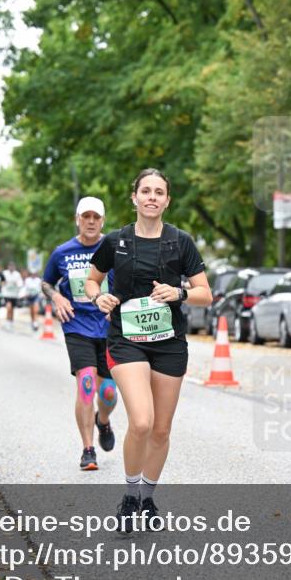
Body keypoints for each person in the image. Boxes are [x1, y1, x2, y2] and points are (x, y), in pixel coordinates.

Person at [87, 169, 211, 532]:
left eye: (159, 192)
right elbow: (92, 280)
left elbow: (205, 293)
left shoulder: (180, 242)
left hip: (169, 343)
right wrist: (99, 297)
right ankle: (129, 495)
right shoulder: (115, 241)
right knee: (141, 421)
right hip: (126, 339)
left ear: (167, 200)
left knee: (160, 429)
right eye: (146, 191)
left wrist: (180, 292)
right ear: (135, 198)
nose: (152, 197)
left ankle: (147, 496)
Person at [42, 197, 120, 472]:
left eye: (96, 217)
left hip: (109, 327)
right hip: (77, 326)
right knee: (87, 386)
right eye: (85, 216)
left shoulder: (113, 247)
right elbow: (46, 282)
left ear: (102, 221)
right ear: (77, 219)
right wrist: (56, 298)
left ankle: (104, 421)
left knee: (108, 394)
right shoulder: (63, 251)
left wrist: (118, 303)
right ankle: (88, 449)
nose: (90, 221)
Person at [2, 261, 23, 331]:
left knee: (12, 309)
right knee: (9, 308)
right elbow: (1, 281)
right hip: (6, 294)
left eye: (12, 266)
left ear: (14, 267)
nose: (11, 268)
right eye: (10, 266)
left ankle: (11, 322)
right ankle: (7, 322)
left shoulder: (17, 274)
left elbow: (20, 283)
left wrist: (17, 284)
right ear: (8, 267)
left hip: (14, 295)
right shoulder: (4, 273)